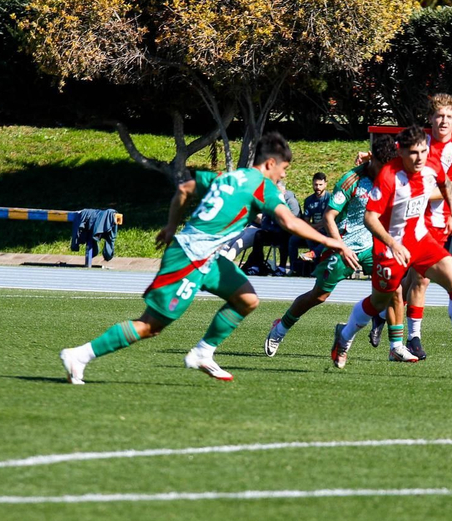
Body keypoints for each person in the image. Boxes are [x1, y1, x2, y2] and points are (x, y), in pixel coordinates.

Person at [60, 132, 358, 384]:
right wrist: (335, 243)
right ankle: (80, 355)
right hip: (188, 258)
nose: (284, 175)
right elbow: (290, 223)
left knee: (247, 300)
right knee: (152, 325)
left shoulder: (227, 176)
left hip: (207, 258)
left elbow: (184, 188)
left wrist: (171, 226)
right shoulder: (260, 186)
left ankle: (203, 352)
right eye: (284, 169)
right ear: (270, 163)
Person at [332, 126, 452, 369]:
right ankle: (344, 337)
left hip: (420, 239)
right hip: (389, 248)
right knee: (378, 302)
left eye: (423, 151)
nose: (420, 157)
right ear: (400, 151)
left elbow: (446, 183)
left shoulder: (430, 162)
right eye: (413, 153)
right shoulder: (388, 177)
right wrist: (393, 244)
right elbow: (370, 218)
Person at [265, 137, 400, 358]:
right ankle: (280, 328)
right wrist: (340, 248)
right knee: (318, 296)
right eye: (381, 165)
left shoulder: (390, 174)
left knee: (395, 286)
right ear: (373, 159)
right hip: (344, 245)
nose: (386, 171)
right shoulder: (352, 179)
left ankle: (395, 346)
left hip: (371, 247)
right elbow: (329, 216)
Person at [401, 94, 452, 360]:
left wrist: (412, 193)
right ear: (430, 118)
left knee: (418, 277)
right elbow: (392, 159)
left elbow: (448, 189)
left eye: (449, 116)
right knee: (416, 277)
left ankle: (407, 334)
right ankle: (405, 332)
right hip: (407, 218)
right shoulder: (417, 140)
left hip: (437, 221)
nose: (443, 120)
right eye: (439, 115)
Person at [244, 183, 301, 275]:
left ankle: (282, 267)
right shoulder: (270, 202)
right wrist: (271, 228)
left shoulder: (291, 202)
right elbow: (264, 222)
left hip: (287, 231)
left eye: (278, 191)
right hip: (273, 230)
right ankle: (257, 265)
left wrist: (279, 227)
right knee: (259, 235)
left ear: (284, 191)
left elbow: (293, 222)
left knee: (283, 234)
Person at [291, 171, 331, 273]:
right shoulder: (308, 200)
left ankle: (315, 263)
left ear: (325, 184)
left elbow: (330, 218)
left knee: (317, 237)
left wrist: (316, 226)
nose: (318, 187)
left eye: (320, 185)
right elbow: (306, 220)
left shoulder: (330, 199)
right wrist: (313, 227)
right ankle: (293, 268)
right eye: (316, 184)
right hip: (313, 228)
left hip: (327, 229)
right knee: (293, 240)